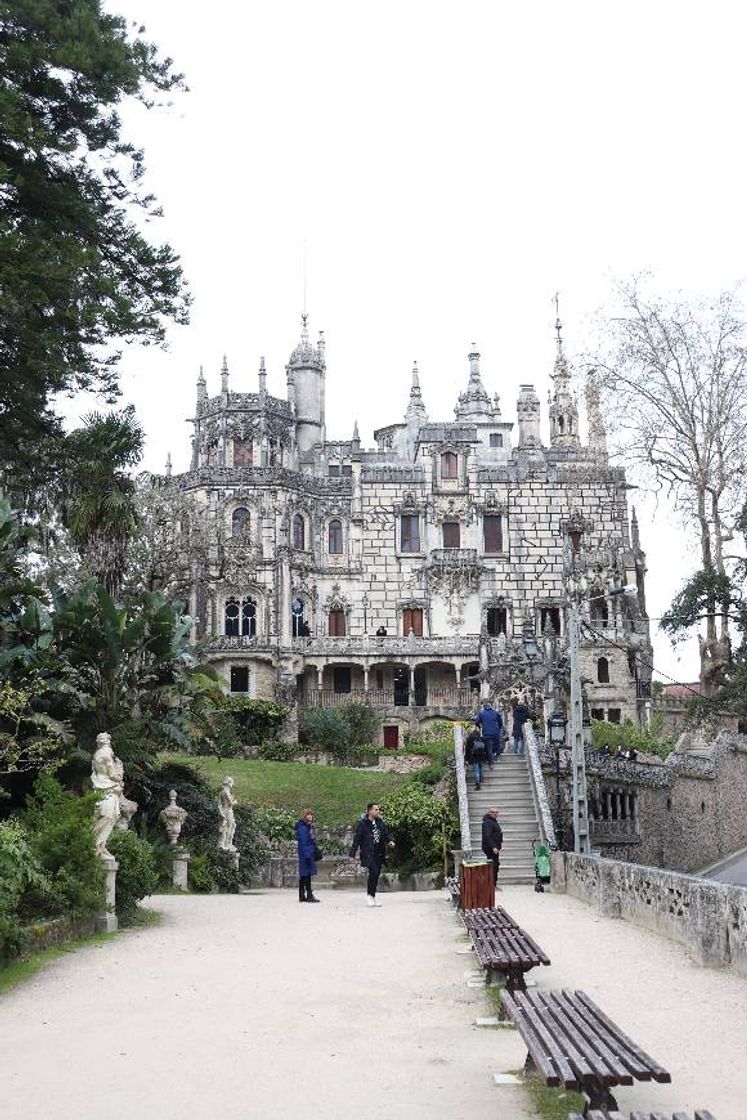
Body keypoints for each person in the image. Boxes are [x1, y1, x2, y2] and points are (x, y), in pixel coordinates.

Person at [349, 802, 394, 907]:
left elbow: (386, 834)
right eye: (376, 809)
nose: (378, 811)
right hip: (369, 853)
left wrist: (390, 841)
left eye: (378, 809)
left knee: (376, 874)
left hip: (379, 852)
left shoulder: (380, 822)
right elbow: (357, 840)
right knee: (373, 872)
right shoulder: (363, 824)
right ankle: (369, 896)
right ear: (370, 811)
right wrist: (352, 854)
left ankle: (373, 896)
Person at [295, 808, 321, 903]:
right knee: (307, 875)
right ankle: (309, 895)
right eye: (308, 814)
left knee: (304, 875)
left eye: (311, 814)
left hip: (306, 852)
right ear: (304, 816)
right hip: (306, 853)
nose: (311, 816)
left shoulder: (307, 827)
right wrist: (308, 854)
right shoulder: (303, 828)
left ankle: (302, 895)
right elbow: (304, 842)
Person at [481, 807, 503, 887]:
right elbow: (488, 835)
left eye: (497, 812)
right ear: (489, 813)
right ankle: (492, 884)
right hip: (490, 848)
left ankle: (493, 884)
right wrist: (493, 847)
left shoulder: (492, 821)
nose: (496, 814)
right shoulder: (488, 822)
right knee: (493, 866)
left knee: (495, 865)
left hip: (494, 847)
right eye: (494, 812)